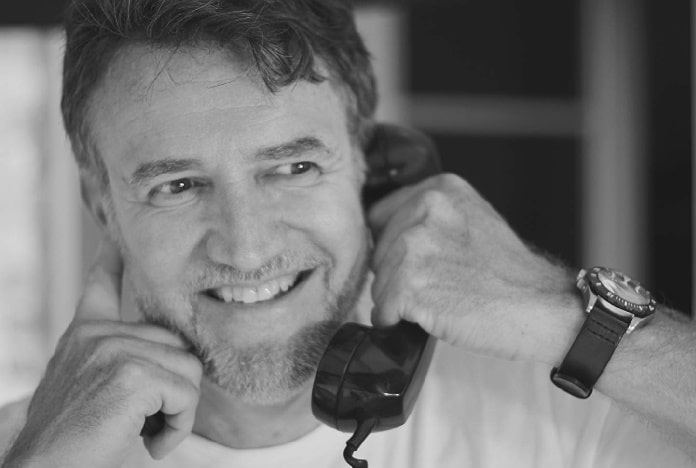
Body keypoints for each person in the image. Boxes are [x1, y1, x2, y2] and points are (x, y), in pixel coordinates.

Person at [1, 0, 695, 466]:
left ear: (372, 165)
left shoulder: (569, 425)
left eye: (294, 167)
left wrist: (561, 315)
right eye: (176, 186)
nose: (245, 247)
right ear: (101, 203)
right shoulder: (36, 449)